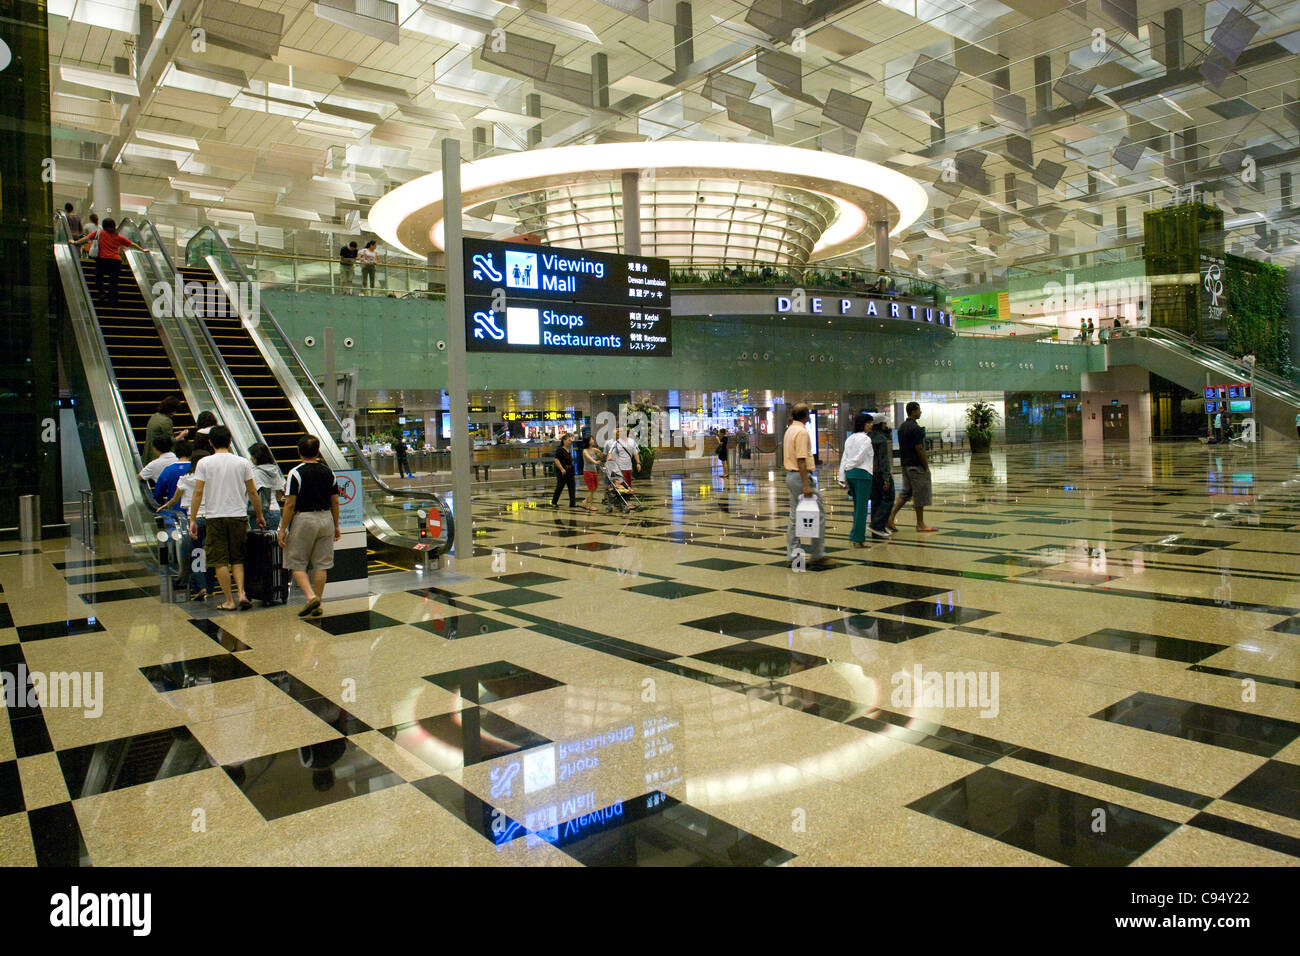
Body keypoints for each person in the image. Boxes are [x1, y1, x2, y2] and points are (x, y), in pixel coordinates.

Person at [188, 425, 265, 611]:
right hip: (238, 515)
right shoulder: (242, 462)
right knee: (237, 557)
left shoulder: (204, 463)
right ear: (230, 442)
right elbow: (253, 492)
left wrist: (192, 518)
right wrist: (260, 515)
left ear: (210, 442)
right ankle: (241, 594)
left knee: (219, 560)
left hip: (215, 516)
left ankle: (229, 601)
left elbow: (198, 492)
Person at [278, 435, 340, 619]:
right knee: (321, 564)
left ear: (299, 452)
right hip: (326, 518)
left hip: (304, 519)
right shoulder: (329, 472)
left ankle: (310, 597)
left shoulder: (295, 473)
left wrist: (283, 528)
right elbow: (335, 502)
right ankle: (317, 601)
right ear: (318, 451)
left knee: (296, 561)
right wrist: (336, 525)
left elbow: (290, 504)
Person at [156, 446, 209, 600]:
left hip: (194, 520)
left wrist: (165, 506)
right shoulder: (212, 478)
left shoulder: (185, 478)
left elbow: (174, 499)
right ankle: (211, 586)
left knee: (196, 553)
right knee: (212, 552)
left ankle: (201, 586)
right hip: (213, 517)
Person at [784, 403, 826, 567]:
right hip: (800, 476)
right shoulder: (801, 432)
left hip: (791, 476)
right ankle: (818, 554)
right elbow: (801, 459)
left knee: (795, 517)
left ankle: (794, 555)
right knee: (819, 514)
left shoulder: (790, 430)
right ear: (806, 415)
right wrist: (806, 484)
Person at [887, 402, 937, 533]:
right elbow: (919, 448)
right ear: (913, 411)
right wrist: (926, 466)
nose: (920, 412)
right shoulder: (915, 428)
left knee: (906, 492)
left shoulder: (902, 427)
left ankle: (891, 516)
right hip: (916, 466)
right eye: (919, 410)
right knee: (919, 494)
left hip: (906, 465)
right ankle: (920, 524)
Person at [72, 217, 139, 308]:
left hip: (103, 260)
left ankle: (102, 292)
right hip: (116, 261)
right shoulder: (118, 236)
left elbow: (86, 239)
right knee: (113, 282)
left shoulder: (100, 233)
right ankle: (113, 302)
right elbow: (131, 244)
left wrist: (75, 242)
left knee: (98, 277)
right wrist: (142, 249)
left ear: (104, 225)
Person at [836, 412, 874, 548]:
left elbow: (844, 458)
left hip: (851, 475)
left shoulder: (850, 438)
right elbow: (860, 457)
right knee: (862, 508)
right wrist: (849, 466)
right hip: (862, 474)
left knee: (857, 507)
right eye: (868, 423)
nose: (871, 425)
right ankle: (858, 539)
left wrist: (843, 476)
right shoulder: (866, 439)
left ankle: (854, 534)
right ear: (862, 424)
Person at [248, 443, 285, 531]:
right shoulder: (275, 470)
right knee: (270, 542)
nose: (251, 458)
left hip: (261, 512)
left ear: (257, 457)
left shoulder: (256, 473)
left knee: (258, 542)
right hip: (275, 511)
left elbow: (254, 493)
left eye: (252, 456)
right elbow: (279, 493)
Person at [869, 419, 895, 539]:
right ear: (881, 424)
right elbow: (883, 459)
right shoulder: (881, 439)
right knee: (889, 498)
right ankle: (877, 525)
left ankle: (877, 530)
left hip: (870, 473)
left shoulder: (867, 437)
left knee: (876, 500)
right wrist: (886, 477)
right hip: (880, 472)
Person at [144, 395, 188, 462]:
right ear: (171, 410)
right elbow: (170, 441)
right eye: (175, 411)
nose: (175, 413)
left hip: (149, 451)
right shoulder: (167, 420)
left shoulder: (155, 415)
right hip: (158, 455)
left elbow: (159, 433)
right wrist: (182, 435)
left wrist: (175, 433)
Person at [154, 440, 193, 507]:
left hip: (175, 509)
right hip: (195, 508)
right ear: (191, 452)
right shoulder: (196, 468)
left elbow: (158, 492)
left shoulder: (168, 470)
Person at [550, 433, 577, 508]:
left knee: (572, 487)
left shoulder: (569, 450)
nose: (570, 442)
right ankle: (554, 502)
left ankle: (572, 503)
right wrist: (562, 469)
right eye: (569, 440)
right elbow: (556, 460)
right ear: (564, 441)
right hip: (563, 472)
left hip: (570, 471)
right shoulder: (560, 450)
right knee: (560, 487)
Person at [580, 435, 602, 511]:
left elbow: (600, 454)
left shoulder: (594, 449)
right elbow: (589, 458)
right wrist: (595, 462)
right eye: (592, 439)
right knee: (591, 488)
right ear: (588, 442)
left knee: (595, 487)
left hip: (594, 471)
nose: (593, 440)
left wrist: (600, 454)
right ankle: (590, 505)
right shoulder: (585, 451)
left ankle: (585, 501)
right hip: (587, 471)